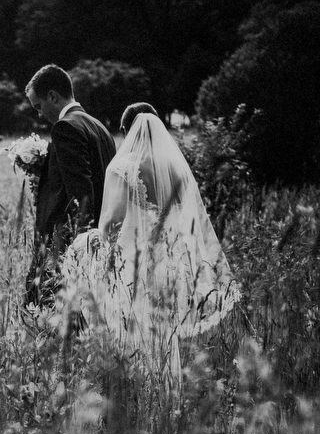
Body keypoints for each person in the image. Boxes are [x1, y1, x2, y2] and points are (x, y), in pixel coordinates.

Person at [61, 103, 241, 385]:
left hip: (132, 268)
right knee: (162, 338)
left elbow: (111, 223)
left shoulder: (123, 167)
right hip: (168, 266)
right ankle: (164, 395)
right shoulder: (176, 169)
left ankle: (129, 397)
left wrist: (93, 241)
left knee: (129, 333)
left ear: (126, 131)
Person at [23, 64, 117, 307]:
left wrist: (76, 253)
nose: (40, 114)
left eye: (39, 106)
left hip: (69, 245)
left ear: (53, 96)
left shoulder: (65, 128)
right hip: (103, 236)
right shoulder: (100, 128)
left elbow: (81, 194)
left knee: (44, 312)